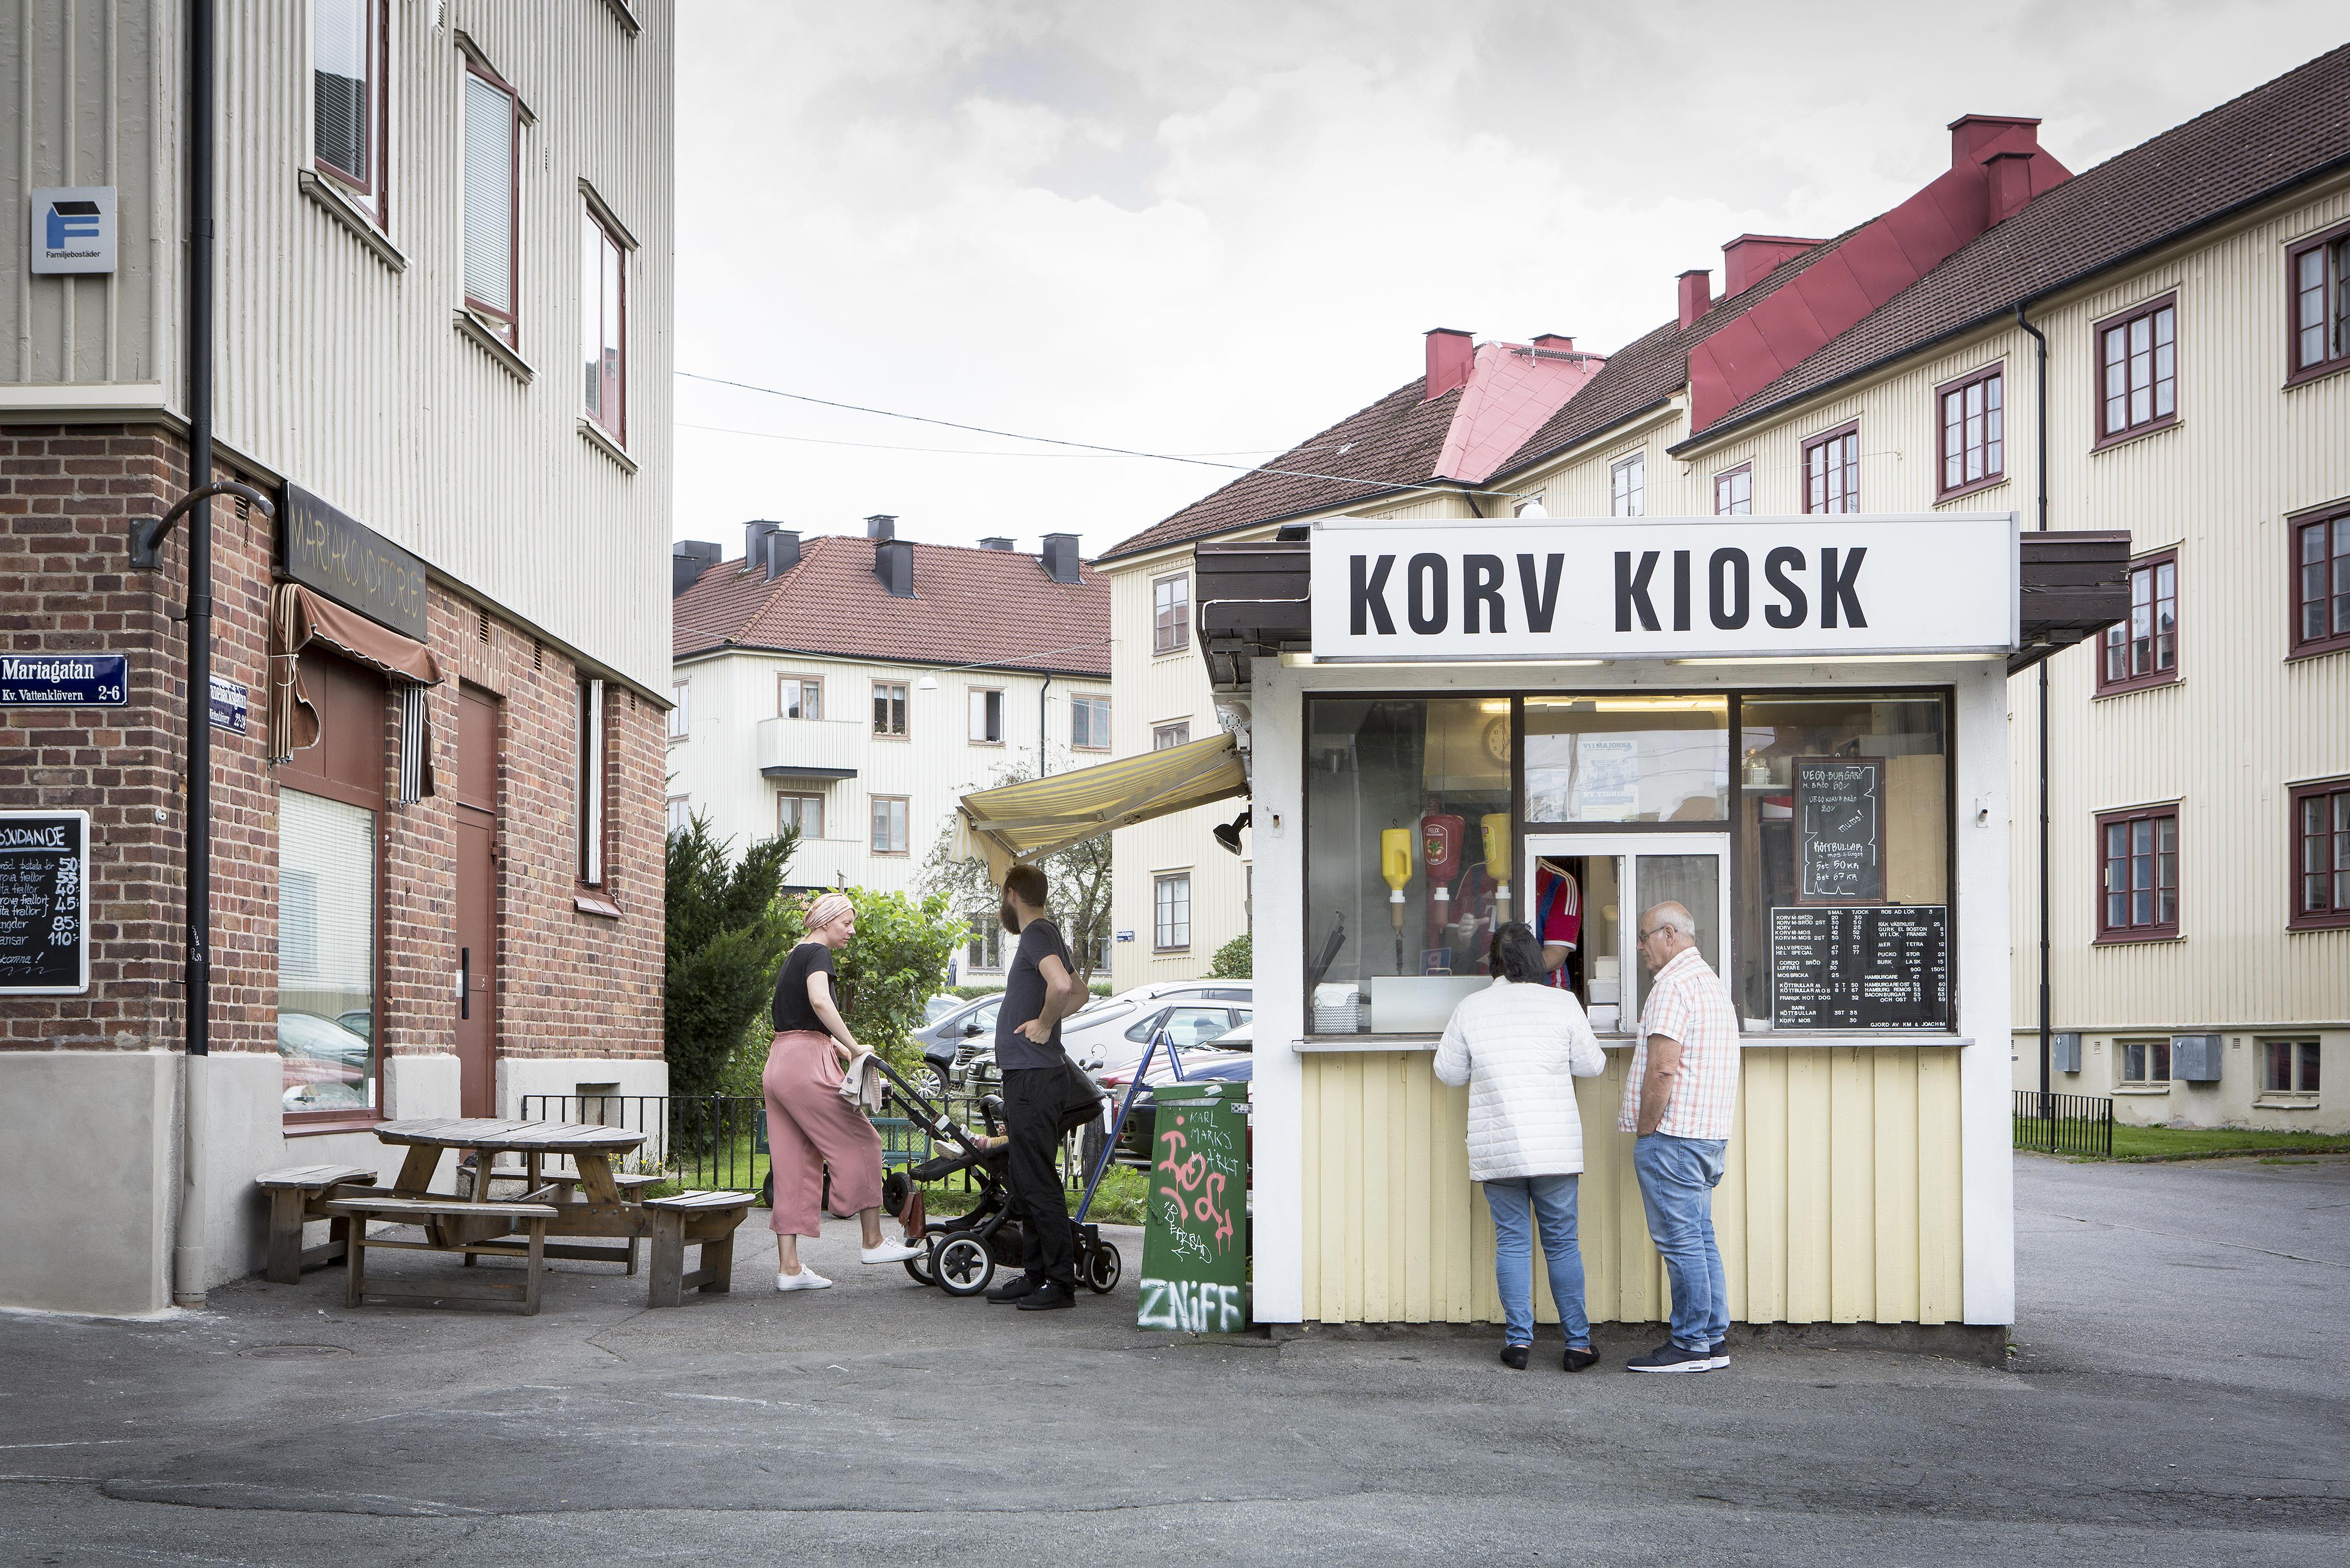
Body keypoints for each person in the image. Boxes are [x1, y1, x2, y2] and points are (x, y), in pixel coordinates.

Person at [1434, 922, 1608, 1372]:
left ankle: (1519, 1344)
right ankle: (1578, 1345)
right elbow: (1591, 1066)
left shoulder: (1471, 1009)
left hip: (1500, 1149)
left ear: (1493, 962)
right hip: (1554, 1148)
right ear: (1536, 961)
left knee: (1512, 1243)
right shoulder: (1562, 1003)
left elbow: (1449, 1073)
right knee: (1563, 1245)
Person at [762, 892, 926, 1292]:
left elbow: (797, 1020)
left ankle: (790, 1269)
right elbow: (819, 1001)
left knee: (793, 1164)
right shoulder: (818, 953)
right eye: (846, 923)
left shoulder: (794, 955)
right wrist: (853, 1047)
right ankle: (872, 1241)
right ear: (825, 922)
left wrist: (836, 1046)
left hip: (780, 1063)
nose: (851, 931)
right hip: (805, 1065)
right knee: (862, 1141)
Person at [1622, 901, 1741, 1372]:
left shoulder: (1672, 985)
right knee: (1701, 1236)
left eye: (1645, 935)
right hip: (1708, 1135)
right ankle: (1712, 1339)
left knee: (1682, 1241)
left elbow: (1663, 1068)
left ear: (1669, 934)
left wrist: (1647, 1129)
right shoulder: (1710, 984)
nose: (1640, 945)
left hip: (1674, 1136)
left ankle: (1690, 1344)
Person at [983, 863, 1091, 1311]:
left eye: (1001, 896)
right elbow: (1082, 993)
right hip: (1031, 1076)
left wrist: (1045, 1024)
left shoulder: (1035, 934)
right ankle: (1035, 1275)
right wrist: (1046, 1021)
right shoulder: (1047, 934)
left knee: (1038, 1179)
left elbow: (1065, 986)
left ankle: (1059, 1283)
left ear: (1011, 894)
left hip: (1033, 1077)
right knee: (1026, 1176)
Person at [1532, 857, 1582, 989]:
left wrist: (1510, 969)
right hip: (1482, 982)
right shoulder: (1477, 873)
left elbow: (1556, 955)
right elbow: (1470, 948)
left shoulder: (1560, 882)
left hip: (1547, 989)